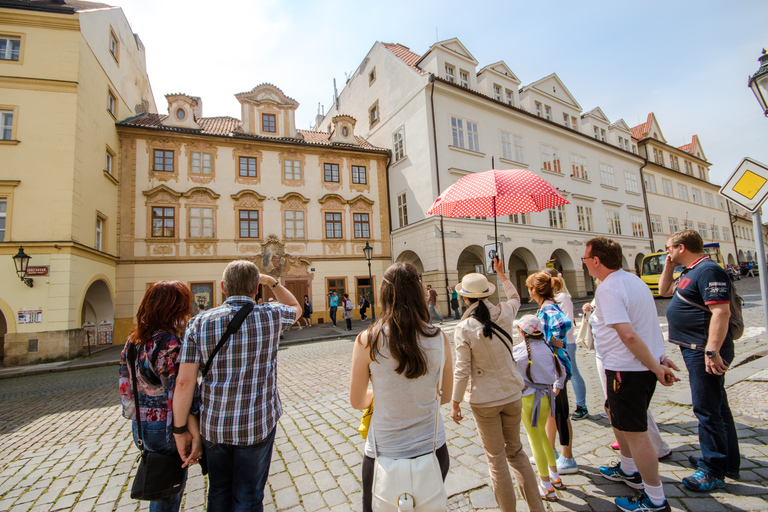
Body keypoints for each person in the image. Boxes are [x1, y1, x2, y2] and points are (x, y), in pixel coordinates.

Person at [172, 260, 301, 511]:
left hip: (215, 425)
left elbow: (184, 381)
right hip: (257, 423)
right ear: (256, 289)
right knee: (249, 494)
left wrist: (180, 430)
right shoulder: (271, 315)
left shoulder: (199, 323)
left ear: (222, 287)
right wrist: (271, 281)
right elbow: (296, 307)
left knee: (219, 490)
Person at [583, 236, 678, 512]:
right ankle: (626, 468)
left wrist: (656, 366)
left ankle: (655, 498)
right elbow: (647, 322)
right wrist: (658, 357)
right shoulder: (632, 280)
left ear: (596, 261)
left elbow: (629, 334)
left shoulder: (608, 288)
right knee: (617, 416)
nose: (585, 263)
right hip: (634, 368)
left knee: (637, 433)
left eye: (585, 259)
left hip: (628, 370)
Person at [349, 261, 453, 512]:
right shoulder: (438, 338)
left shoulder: (368, 340)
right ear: (419, 292)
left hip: (384, 454)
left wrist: (379, 394)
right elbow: (446, 396)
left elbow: (357, 400)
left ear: (384, 294)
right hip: (432, 449)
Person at [451, 259, 544, 512]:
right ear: (488, 294)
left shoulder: (464, 328)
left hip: (484, 400)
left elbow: (462, 369)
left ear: (465, 299)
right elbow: (515, 296)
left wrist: (456, 402)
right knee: (516, 452)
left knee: (496, 459)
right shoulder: (505, 311)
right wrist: (502, 273)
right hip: (512, 393)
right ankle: (538, 508)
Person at [658, 229, 740, 491]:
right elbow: (664, 290)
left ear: (682, 247)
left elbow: (721, 312)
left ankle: (712, 470)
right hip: (695, 348)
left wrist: (711, 350)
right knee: (717, 406)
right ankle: (727, 461)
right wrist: (669, 265)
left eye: (669, 248)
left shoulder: (708, 271)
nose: (666, 251)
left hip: (704, 349)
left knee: (706, 409)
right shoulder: (690, 270)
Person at [118, 281, 202, 512]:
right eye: (185, 304)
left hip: (141, 424)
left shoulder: (134, 340)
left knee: (161, 487)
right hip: (166, 426)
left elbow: (126, 386)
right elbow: (180, 391)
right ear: (174, 307)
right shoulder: (168, 343)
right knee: (168, 493)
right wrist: (188, 432)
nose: (188, 309)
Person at [583, 300, 671, 459]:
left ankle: (654, 448)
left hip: (619, 360)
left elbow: (634, 331)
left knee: (629, 407)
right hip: (608, 357)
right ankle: (625, 440)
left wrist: (659, 358)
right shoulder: (605, 292)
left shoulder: (613, 291)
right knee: (613, 405)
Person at [525, 272, 577, 475]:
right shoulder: (545, 306)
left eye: (529, 287)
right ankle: (552, 452)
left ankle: (568, 457)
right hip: (551, 368)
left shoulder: (547, 306)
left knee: (561, 413)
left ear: (534, 290)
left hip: (557, 370)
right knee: (551, 414)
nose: (528, 290)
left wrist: (554, 342)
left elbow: (563, 323)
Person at [513, 315, 567, 502]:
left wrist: (520, 386)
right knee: (543, 437)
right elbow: (562, 371)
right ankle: (555, 476)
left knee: (534, 440)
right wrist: (556, 388)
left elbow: (511, 374)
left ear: (522, 332)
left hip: (529, 401)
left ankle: (546, 486)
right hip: (546, 398)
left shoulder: (519, 351)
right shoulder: (547, 348)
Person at [542, 268, 588, 421]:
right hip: (556, 344)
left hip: (566, 343)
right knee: (560, 376)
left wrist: (555, 339)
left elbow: (567, 324)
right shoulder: (552, 299)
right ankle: (562, 405)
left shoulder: (562, 298)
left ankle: (582, 406)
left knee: (572, 374)